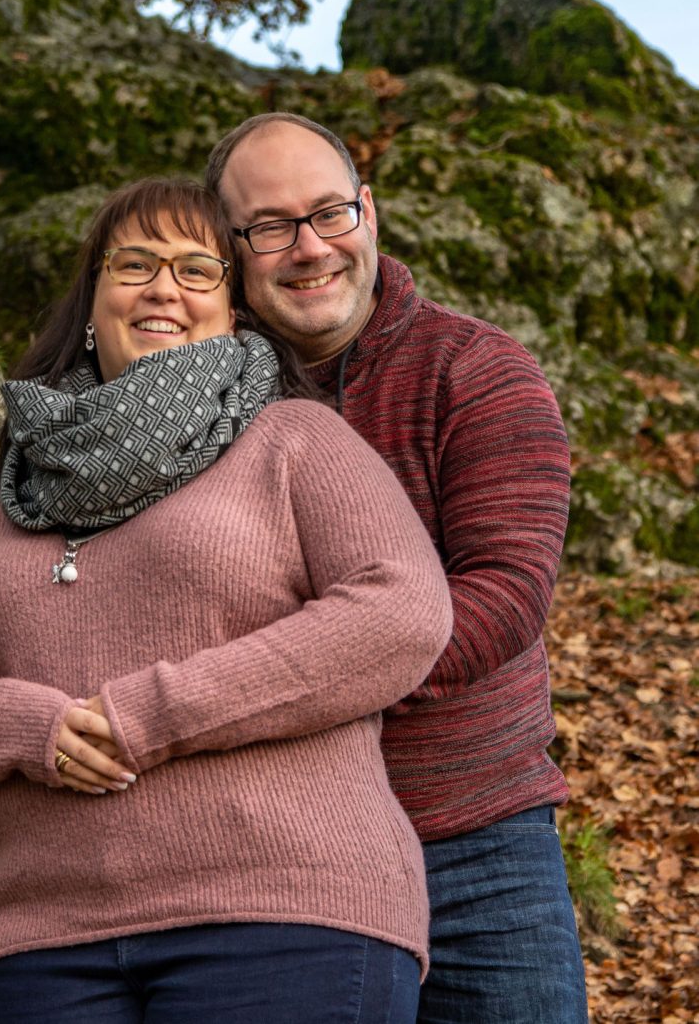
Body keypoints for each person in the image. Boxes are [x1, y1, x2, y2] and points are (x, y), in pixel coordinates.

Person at [0, 177, 454, 1024]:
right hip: (41, 943)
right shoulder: (8, 494)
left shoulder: (294, 440)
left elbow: (399, 612)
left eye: (194, 269)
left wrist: (153, 712)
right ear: (93, 295)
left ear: (235, 308)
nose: (162, 288)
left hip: (285, 916)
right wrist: (32, 728)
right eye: (134, 263)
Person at [205, 114, 590, 1023]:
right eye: (269, 227)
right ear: (230, 250)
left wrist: (274, 683)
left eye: (328, 213)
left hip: (477, 847)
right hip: (278, 849)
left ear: (367, 214)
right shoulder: (195, 401)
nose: (308, 249)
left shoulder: (476, 370)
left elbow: (501, 597)